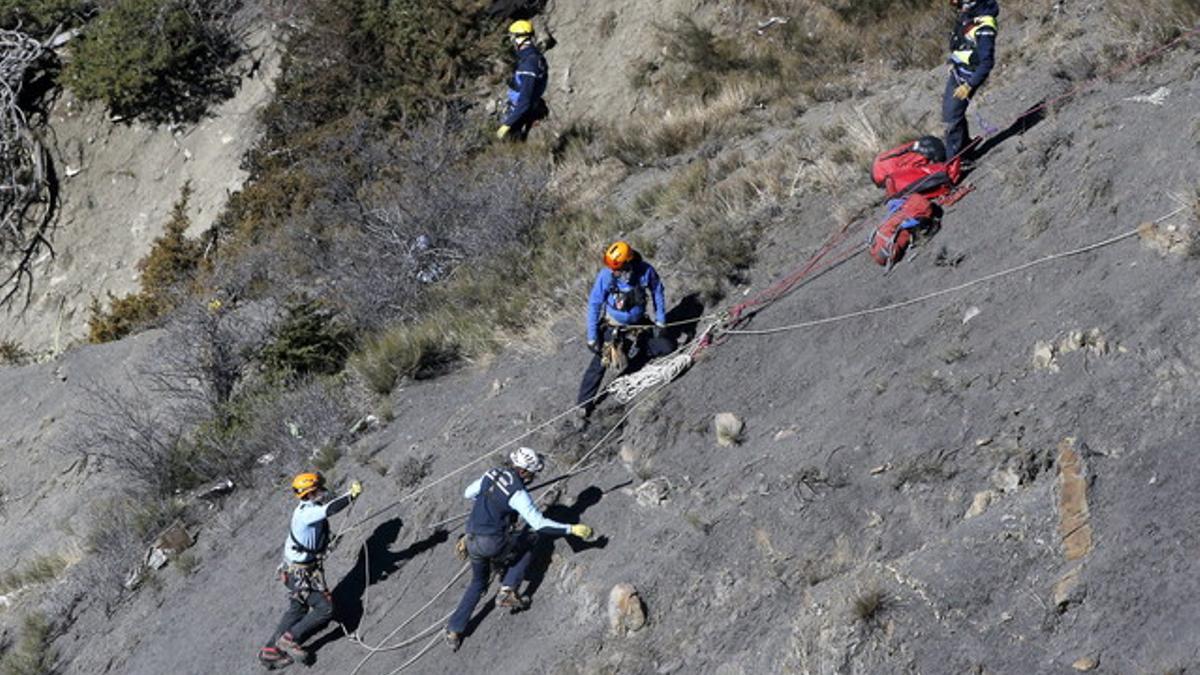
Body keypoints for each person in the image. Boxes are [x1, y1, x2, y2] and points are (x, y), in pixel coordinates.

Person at [444, 447, 593, 651]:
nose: (533, 477)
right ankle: (508, 589)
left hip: (470, 539)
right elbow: (540, 524)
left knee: (478, 583)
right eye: (533, 473)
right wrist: (571, 529)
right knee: (531, 538)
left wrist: (490, 505)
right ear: (524, 471)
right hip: (492, 542)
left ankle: (454, 630)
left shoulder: (492, 473)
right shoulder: (518, 493)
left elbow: (468, 493)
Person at [258, 472, 362, 669]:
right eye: (319, 488)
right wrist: (352, 495)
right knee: (326, 609)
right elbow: (331, 509)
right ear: (310, 492)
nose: (323, 490)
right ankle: (289, 639)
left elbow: (326, 508)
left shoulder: (308, 509)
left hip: (294, 572)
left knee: (297, 610)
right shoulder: (308, 514)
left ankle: (270, 652)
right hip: (300, 574)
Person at [574, 241, 673, 425]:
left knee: (667, 347)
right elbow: (595, 304)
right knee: (600, 363)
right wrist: (592, 337)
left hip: (639, 324)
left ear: (628, 263)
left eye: (617, 268)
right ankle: (583, 405)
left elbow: (657, 291)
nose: (614, 272)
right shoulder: (607, 276)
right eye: (613, 268)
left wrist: (660, 321)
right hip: (615, 326)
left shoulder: (645, 271)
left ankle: (638, 350)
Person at [942, 0, 999, 161]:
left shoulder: (985, 26)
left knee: (952, 118)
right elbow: (962, 44)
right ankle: (965, 148)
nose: (959, 8)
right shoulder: (969, 16)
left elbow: (987, 63)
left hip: (968, 77)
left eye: (961, 4)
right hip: (958, 72)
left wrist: (969, 85)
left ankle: (955, 162)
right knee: (952, 114)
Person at [496, 20, 549, 142]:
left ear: (520, 38)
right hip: (521, 111)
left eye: (513, 37)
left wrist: (507, 125)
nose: (511, 41)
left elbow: (525, 101)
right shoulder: (531, 57)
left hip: (520, 116)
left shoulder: (529, 63)